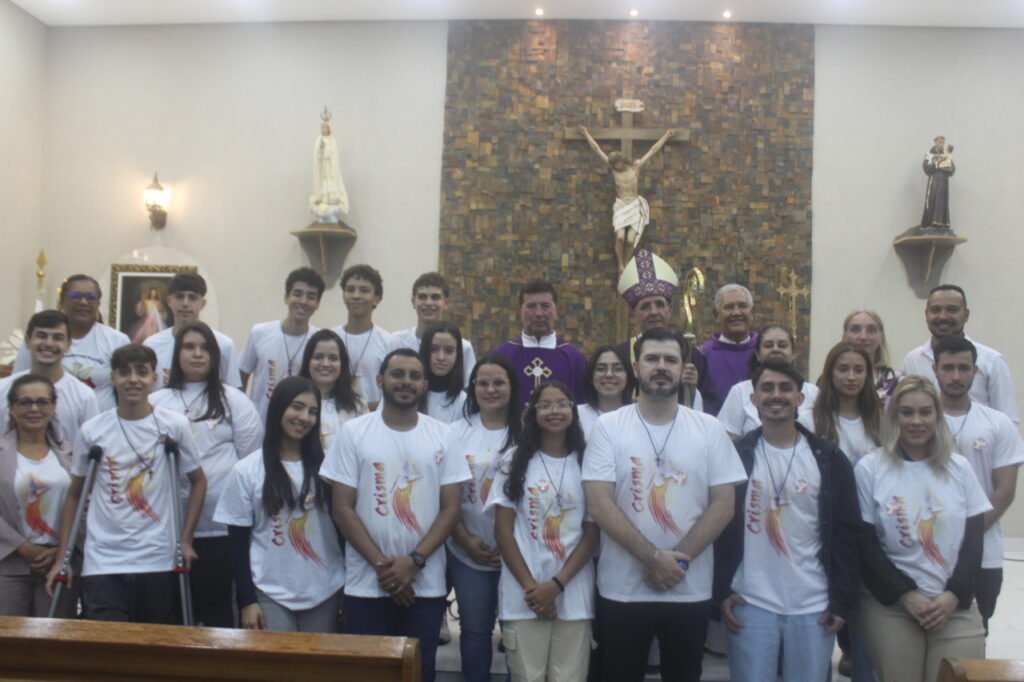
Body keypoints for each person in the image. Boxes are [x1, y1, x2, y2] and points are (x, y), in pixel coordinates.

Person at [583, 327, 746, 682]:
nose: (661, 367)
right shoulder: (608, 427)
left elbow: (724, 505)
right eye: (652, 359)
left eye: (670, 360)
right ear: (636, 366)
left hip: (689, 590)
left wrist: (676, 564)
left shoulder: (709, 429)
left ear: (683, 367)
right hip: (622, 588)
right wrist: (653, 558)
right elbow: (599, 503)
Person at [321, 349, 470, 682]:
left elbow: (451, 508)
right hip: (366, 583)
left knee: (419, 672)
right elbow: (341, 508)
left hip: (425, 584)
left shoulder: (443, 435)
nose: (406, 382)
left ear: (425, 384)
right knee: (368, 673)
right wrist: (384, 568)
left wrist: (413, 562)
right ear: (380, 380)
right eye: (397, 374)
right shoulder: (354, 433)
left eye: (414, 376)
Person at [715, 360, 859, 682]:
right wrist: (722, 591)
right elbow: (720, 530)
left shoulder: (829, 459)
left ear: (800, 398)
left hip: (813, 604)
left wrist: (840, 600)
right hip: (750, 602)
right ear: (753, 400)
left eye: (785, 388)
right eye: (767, 388)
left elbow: (847, 535)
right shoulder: (735, 456)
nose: (775, 395)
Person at [46, 344, 207, 624]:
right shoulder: (93, 431)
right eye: (124, 373)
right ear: (113, 378)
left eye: (142, 372)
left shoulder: (174, 426)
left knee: (152, 648)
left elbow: (198, 481)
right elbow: (74, 495)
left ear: (154, 378)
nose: (133, 379)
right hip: (103, 561)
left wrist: (186, 540)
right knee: (107, 649)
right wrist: (63, 556)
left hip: (157, 558)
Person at [855, 376, 991, 682]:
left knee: (955, 675)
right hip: (893, 604)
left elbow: (972, 541)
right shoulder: (871, 468)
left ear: (937, 416)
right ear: (893, 416)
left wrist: (954, 595)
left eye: (925, 412)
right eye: (907, 412)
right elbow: (865, 544)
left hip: (953, 603)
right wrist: (906, 595)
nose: (916, 421)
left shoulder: (960, 468)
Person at [149, 321, 264, 627]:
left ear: (215, 356)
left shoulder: (234, 400)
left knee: (215, 611)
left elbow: (249, 463)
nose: (197, 354)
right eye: (189, 347)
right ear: (177, 354)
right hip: (166, 527)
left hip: (218, 528)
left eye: (204, 348)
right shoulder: (157, 402)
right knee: (168, 614)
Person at [214, 376, 344, 632]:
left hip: (326, 590)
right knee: (278, 670)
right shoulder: (246, 470)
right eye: (296, 406)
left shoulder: (330, 469)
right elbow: (237, 543)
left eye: (312, 411)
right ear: (279, 408)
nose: (304, 417)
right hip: (269, 593)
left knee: (315, 671)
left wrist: (347, 589)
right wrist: (246, 601)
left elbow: (343, 531)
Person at [488, 381, 598, 682]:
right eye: (546, 405)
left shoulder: (587, 461)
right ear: (533, 412)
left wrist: (556, 586)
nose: (554, 411)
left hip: (573, 596)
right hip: (523, 597)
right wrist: (533, 590)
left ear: (573, 412)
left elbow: (591, 534)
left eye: (562, 404)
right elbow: (503, 532)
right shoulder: (514, 460)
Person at [933, 336, 1024, 634]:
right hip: (927, 549)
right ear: (935, 370)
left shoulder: (997, 424)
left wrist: (966, 534)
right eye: (948, 368)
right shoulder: (918, 420)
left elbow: (1005, 492)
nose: (956, 376)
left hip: (984, 551)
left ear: (976, 371)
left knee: (973, 635)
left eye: (963, 368)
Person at [447, 353, 520, 682]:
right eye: (483, 383)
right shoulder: (454, 433)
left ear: (512, 387)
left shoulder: (527, 431)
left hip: (519, 553)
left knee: (517, 633)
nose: (491, 390)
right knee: (475, 632)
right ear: (472, 388)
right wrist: (465, 539)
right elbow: (444, 495)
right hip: (468, 549)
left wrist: (511, 546)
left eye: (499, 383)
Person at [0, 374, 76, 617]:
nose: (34, 408)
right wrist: (23, 547)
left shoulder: (70, 454)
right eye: (25, 402)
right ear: (11, 409)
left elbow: (83, 506)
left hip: (58, 562)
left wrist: (60, 551)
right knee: (9, 646)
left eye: (42, 402)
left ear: (53, 407)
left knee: (54, 644)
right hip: (9, 564)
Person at [901, 284, 1019, 424]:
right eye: (935, 310)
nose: (943, 316)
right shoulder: (913, 360)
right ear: (926, 315)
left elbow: (1008, 420)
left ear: (966, 315)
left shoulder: (992, 360)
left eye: (952, 310)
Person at [14, 274, 131, 411]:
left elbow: (128, 389)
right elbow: (17, 383)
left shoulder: (117, 340)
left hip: (100, 426)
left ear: (98, 304)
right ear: (62, 301)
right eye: (75, 296)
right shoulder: (41, 342)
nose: (83, 302)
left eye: (91, 297)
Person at [615, 249, 709, 410]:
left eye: (659, 304)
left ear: (669, 309)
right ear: (633, 313)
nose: (654, 312)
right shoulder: (619, 355)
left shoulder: (692, 356)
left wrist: (693, 391)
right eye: (645, 306)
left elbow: (709, 406)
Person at [579, 125, 677, 273]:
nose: (616, 166)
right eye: (613, 165)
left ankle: (625, 265)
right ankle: (620, 265)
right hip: (621, 205)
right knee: (620, 238)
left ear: (622, 161)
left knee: (630, 240)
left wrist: (666, 136)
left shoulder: (635, 167)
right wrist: (586, 133)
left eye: (617, 163)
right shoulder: (613, 170)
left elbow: (653, 150)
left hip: (634, 205)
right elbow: (597, 149)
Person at [0, 310, 98, 447]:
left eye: (57, 338)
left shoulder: (84, 396)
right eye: (41, 336)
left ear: (69, 345)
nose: (48, 343)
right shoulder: (2, 389)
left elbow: (90, 446)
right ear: (28, 341)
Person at [240, 267, 324, 422]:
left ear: (318, 304)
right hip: (260, 425)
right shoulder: (260, 333)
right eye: (297, 294)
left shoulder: (319, 341)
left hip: (300, 425)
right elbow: (240, 378)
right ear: (286, 297)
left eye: (311, 296)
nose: (303, 301)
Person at [495, 280, 588, 409]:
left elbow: (582, 406)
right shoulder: (502, 355)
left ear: (557, 310)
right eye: (531, 306)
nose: (538, 314)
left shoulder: (574, 358)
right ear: (520, 311)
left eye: (545, 306)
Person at [144, 272, 242, 391]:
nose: (185, 303)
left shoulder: (223, 344)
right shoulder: (151, 345)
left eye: (192, 298)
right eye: (179, 297)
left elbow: (234, 393)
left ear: (203, 303)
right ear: (169, 301)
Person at [717, 325, 817, 440]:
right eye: (768, 345)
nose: (775, 349)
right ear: (758, 354)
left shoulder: (812, 392)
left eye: (782, 345)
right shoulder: (739, 391)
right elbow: (728, 439)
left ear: (793, 353)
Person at [333, 264, 401, 412]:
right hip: (336, 416)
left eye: (364, 290)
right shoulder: (332, 339)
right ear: (344, 296)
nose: (356, 296)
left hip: (376, 419)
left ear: (376, 298)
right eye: (350, 290)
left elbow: (395, 388)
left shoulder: (390, 343)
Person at [805, 342, 882, 466]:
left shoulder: (881, 421)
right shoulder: (808, 420)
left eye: (859, 370)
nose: (851, 377)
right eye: (843, 369)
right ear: (830, 373)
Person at [394, 272, 477, 386]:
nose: (428, 303)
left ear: (446, 303)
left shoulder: (463, 347)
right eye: (422, 297)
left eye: (435, 297)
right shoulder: (396, 341)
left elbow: (469, 387)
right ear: (413, 302)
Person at [299, 329, 367, 452]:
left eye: (333, 358)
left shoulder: (359, 406)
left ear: (342, 364)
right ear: (307, 361)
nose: (325, 364)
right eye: (318, 357)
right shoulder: (293, 402)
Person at [699, 284, 758, 416]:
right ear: (716, 315)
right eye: (729, 307)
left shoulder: (765, 352)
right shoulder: (702, 355)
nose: (736, 313)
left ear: (752, 312)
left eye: (742, 306)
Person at [842, 309, 900, 404]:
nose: (863, 337)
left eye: (871, 330)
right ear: (845, 335)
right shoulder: (830, 380)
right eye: (855, 329)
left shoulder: (896, 383)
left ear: (881, 337)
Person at [579, 345, 635, 440]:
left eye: (617, 369)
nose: (609, 375)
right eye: (601, 369)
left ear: (628, 377)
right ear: (591, 377)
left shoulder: (639, 416)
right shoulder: (576, 415)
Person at [420, 321, 467, 423]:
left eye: (449, 351)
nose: (441, 357)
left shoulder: (464, 402)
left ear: (457, 355)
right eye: (433, 349)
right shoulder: (409, 394)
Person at [309, 106, 349, 224]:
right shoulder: (318, 140)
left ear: (329, 128)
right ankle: (322, 200)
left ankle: (331, 201)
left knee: (330, 184)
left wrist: (327, 151)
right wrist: (320, 148)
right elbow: (317, 155)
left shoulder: (332, 140)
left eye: (325, 127)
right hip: (322, 168)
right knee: (322, 184)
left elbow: (334, 157)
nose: (323, 129)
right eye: (322, 127)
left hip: (329, 168)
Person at [920, 135, 955, 230]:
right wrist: (937, 164)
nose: (942, 144)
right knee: (933, 201)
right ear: (935, 142)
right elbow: (927, 169)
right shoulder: (930, 155)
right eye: (940, 142)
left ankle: (942, 223)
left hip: (944, 184)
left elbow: (952, 170)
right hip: (934, 183)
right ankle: (930, 223)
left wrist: (947, 165)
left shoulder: (946, 155)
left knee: (943, 203)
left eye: (943, 142)